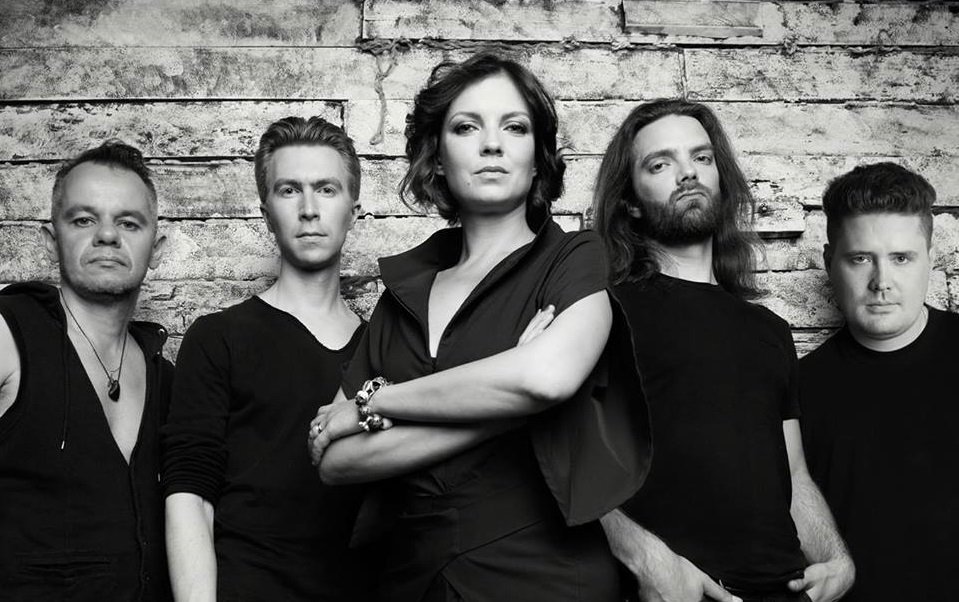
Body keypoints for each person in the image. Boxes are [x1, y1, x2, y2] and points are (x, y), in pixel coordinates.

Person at [307, 52, 650, 602]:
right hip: (410, 579)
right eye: (467, 127)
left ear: (538, 159)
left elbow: (545, 378)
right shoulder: (404, 292)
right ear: (438, 158)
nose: (492, 144)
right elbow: (334, 460)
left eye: (514, 128)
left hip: (542, 576)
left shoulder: (573, 259)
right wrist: (510, 409)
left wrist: (373, 403)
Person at [592, 99, 855, 602]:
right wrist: (647, 559)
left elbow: (793, 475)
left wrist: (836, 559)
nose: (687, 173)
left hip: (785, 589)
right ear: (630, 202)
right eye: (660, 164)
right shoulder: (604, 312)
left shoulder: (770, 330)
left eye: (702, 157)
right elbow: (558, 460)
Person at [161, 117, 373, 600]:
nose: (309, 209)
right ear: (266, 212)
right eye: (289, 190)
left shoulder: (384, 348)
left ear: (354, 211)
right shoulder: (219, 337)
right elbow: (190, 494)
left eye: (326, 189)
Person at [0, 140, 172, 600]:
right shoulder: (8, 333)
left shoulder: (167, 378)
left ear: (156, 247)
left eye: (128, 222)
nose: (107, 236)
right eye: (83, 219)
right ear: (50, 239)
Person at [800, 162, 959, 602]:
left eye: (901, 258)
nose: (881, 283)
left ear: (931, 260)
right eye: (860, 259)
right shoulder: (797, 391)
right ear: (830, 261)